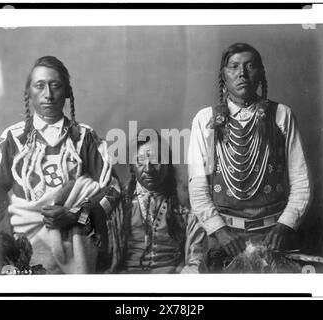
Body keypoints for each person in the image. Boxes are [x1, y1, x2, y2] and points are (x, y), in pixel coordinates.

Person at [188, 43, 311, 268]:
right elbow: (197, 187)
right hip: (224, 239)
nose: (242, 73)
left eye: (250, 66)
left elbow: (301, 181)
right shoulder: (204, 120)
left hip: (274, 236)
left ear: (261, 73)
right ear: (223, 76)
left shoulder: (282, 115)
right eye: (233, 66)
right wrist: (220, 230)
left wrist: (285, 225)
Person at [0, 56, 120, 274]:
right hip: (23, 246)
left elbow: (114, 191)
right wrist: (9, 238)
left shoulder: (84, 137)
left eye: (56, 86)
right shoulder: (11, 139)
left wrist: (76, 215)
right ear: (28, 92)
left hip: (75, 246)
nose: (48, 95)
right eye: (40, 86)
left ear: (67, 93)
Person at [112, 129, 204, 274]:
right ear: (131, 166)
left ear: (168, 164)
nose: (148, 168)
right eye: (140, 161)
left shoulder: (184, 204)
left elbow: (196, 257)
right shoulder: (119, 203)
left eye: (156, 160)